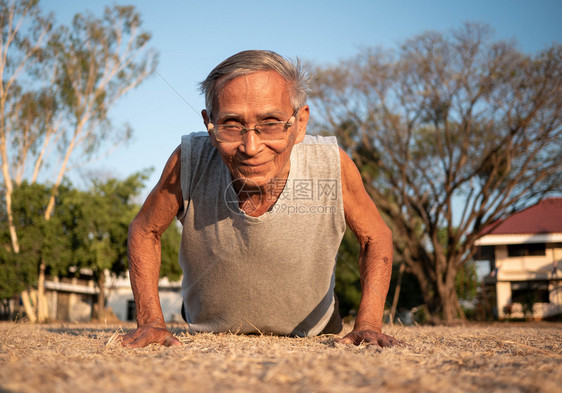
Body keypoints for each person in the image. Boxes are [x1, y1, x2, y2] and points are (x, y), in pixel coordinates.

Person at [121, 50, 397, 348]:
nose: (251, 147)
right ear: (209, 125)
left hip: (318, 329)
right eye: (231, 124)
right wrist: (151, 322)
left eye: (271, 123)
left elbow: (375, 236)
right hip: (205, 326)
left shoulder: (331, 164)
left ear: (300, 122)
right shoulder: (189, 161)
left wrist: (368, 324)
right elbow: (144, 230)